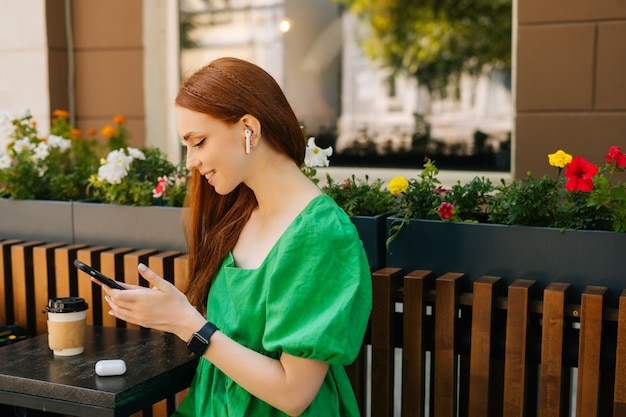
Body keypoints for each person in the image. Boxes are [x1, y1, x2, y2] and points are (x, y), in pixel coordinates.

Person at [102, 57, 372, 417]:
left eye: (198, 142)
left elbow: (294, 394)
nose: (189, 162)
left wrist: (187, 322)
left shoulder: (322, 235)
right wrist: (169, 313)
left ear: (249, 128)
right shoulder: (240, 215)